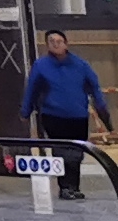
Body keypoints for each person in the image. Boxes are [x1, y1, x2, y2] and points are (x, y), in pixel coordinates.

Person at [19, 28, 112, 200]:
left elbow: (95, 89)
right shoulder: (41, 66)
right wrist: (26, 111)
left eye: (58, 41)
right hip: (53, 115)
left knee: (77, 152)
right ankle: (64, 187)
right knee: (60, 152)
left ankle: (74, 186)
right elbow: (32, 90)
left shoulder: (81, 65)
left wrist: (103, 111)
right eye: (51, 41)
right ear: (47, 45)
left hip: (78, 116)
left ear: (66, 43)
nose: (55, 44)